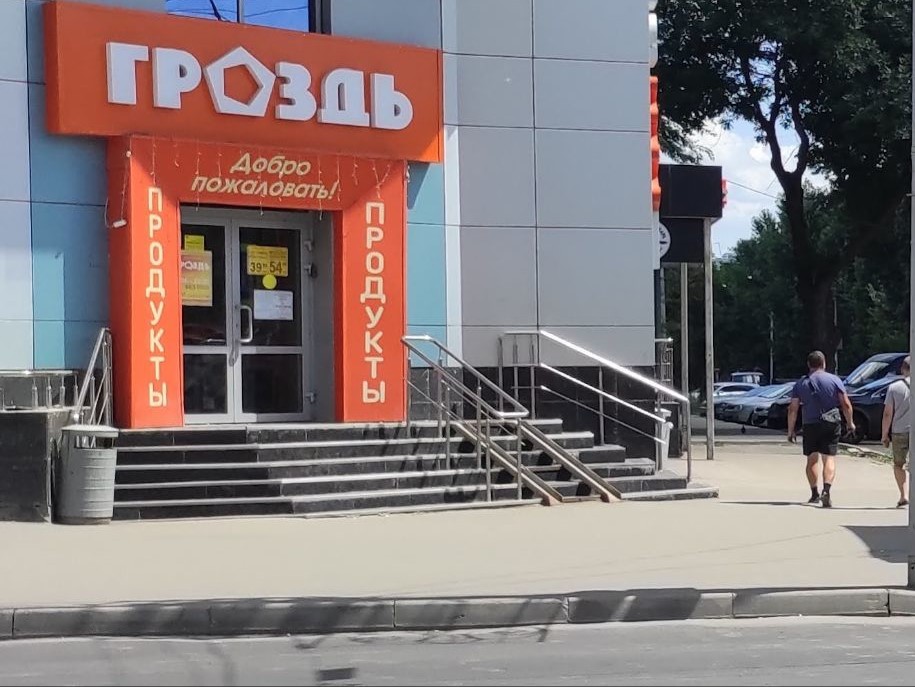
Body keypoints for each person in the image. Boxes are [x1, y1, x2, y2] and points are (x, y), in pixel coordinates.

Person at [787, 351, 856, 508]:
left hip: (810, 424)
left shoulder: (800, 384)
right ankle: (827, 490)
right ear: (824, 363)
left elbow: (793, 409)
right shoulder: (834, 380)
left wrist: (791, 430)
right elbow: (845, 404)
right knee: (829, 457)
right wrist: (850, 423)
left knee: (812, 459)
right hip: (831, 423)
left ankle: (814, 493)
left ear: (808, 364)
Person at [881, 356, 910, 508]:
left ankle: (904, 495)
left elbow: (887, 413)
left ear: (903, 369)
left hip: (900, 431)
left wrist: (884, 434)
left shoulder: (894, 387)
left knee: (899, 464)